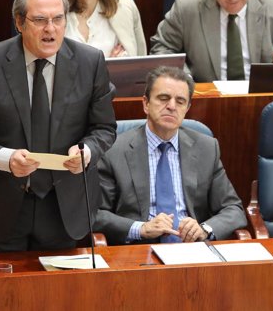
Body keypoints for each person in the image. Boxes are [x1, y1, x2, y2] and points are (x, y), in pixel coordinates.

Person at [0, 0, 116, 252]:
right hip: (1, 207)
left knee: (58, 293)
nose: (50, 29)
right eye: (40, 20)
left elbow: (104, 128)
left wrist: (87, 152)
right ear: (19, 22)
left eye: (58, 19)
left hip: (63, 207)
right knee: (3, 291)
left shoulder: (90, 62)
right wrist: (4, 158)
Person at [95, 66, 246, 245]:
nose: (172, 106)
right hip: (138, 250)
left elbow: (233, 209)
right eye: (163, 98)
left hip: (192, 249)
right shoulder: (114, 150)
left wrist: (204, 229)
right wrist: (140, 228)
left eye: (180, 101)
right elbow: (96, 214)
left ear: (187, 108)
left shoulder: (206, 148)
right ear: (146, 103)